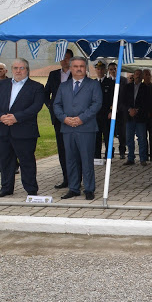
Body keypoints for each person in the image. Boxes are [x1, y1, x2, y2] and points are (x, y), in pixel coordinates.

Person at [0, 59, 44, 197]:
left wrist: (16, 117)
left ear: (27, 69)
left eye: (21, 68)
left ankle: (31, 189)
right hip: (3, 129)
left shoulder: (36, 87)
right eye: (15, 68)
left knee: (27, 161)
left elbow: (36, 107)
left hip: (24, 131)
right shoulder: (1, 84)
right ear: (11, 69)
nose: (18, 71)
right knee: (5, 161)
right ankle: (6, 188)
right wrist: (1, 117)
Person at [54, 57, 102, 200]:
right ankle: (74, 188)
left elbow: (97, 104)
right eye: (75, 66)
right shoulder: (63, 86)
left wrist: (81, 118)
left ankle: (89, 189)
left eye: (81, 66)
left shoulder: (93, 85)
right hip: (67, 128)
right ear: (70, 68)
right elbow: (56, 105)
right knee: (71, 159)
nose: (79, 68)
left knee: (86, 159)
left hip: (86, 128)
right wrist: (64, 118)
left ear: (85, 68)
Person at [45, 48, 73, 188]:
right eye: (62, 58)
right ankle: (66, 179)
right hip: (58, 118)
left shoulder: (76, 74)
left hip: (73, 118)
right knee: (62, 149)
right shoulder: (53, 74)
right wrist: (51, 106)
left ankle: (75, 179)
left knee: (73, 150)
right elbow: (46, 94)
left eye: (67, 58)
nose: (64, 60)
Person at [121, 69, 150, 166]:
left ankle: (143, 159)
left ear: (142, 77)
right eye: (136, 74)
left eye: (139, 75)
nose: (137, 76)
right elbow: (122, 101)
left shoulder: (145, 88)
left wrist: (137, 110)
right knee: (129, 138)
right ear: (133, 75)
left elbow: (147, 103)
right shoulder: (127, 87)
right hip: (129, 117)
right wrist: (129, 110)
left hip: (140, 117)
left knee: (142, 138)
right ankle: (130, 158)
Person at [93, 60, 114, 160]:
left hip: (106, 114)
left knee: (107, 136)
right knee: (96, 136)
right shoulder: (92, 83)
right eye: (98, 69)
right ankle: (96, 155)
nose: (100, 71)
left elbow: (113, 98)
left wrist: (111, 111)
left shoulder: (110, 83)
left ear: (105, 70)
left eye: (101, 69)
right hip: (95, 114)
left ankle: (108, 155)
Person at [107, 62, 127, 159]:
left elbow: (124, 97)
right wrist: (111, 109)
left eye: (115, 69)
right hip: (110, 112)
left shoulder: (124, 80)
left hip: (121, 111)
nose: (113, 71)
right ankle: (110, 151)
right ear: (108, 71)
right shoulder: (107, 81)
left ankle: (122, 151)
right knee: (110, 132)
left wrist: (118, 108)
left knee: (122, 133)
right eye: (111, 69)